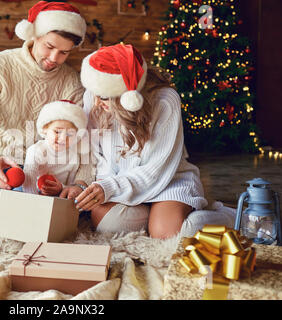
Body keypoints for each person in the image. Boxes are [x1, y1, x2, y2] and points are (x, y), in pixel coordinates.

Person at [0, 1, 91, 225]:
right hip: (4, 161)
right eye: (49, 46)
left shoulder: (71, 81)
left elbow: (83, 140)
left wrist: (79, 184)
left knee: (74, 215)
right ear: (34, 35)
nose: (53, 58)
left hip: (49, 167)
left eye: (64, 52)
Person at [75, 43, 209, 239]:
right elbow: (99, 156)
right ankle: (153, 214)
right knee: (107, 224)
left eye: (103, 97)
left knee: (166, 234)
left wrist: (112, 188)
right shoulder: (95, 95)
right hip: (121, 181)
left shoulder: (165, 100)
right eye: (93, 93)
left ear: (127, 96)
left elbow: (156, 169)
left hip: (167, 180)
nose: (95, 102)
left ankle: (222, 216)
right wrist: (104, 185)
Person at [22, 100, 92, 195]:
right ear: (45, 129)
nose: (63, 138)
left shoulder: (74, 157)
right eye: (57, 132)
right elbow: (28, 181)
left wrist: (61, 188)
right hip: (32, 193)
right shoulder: (37, 150)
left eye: (70, 134)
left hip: (58, 196)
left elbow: (71, 187)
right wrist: (35, 203)